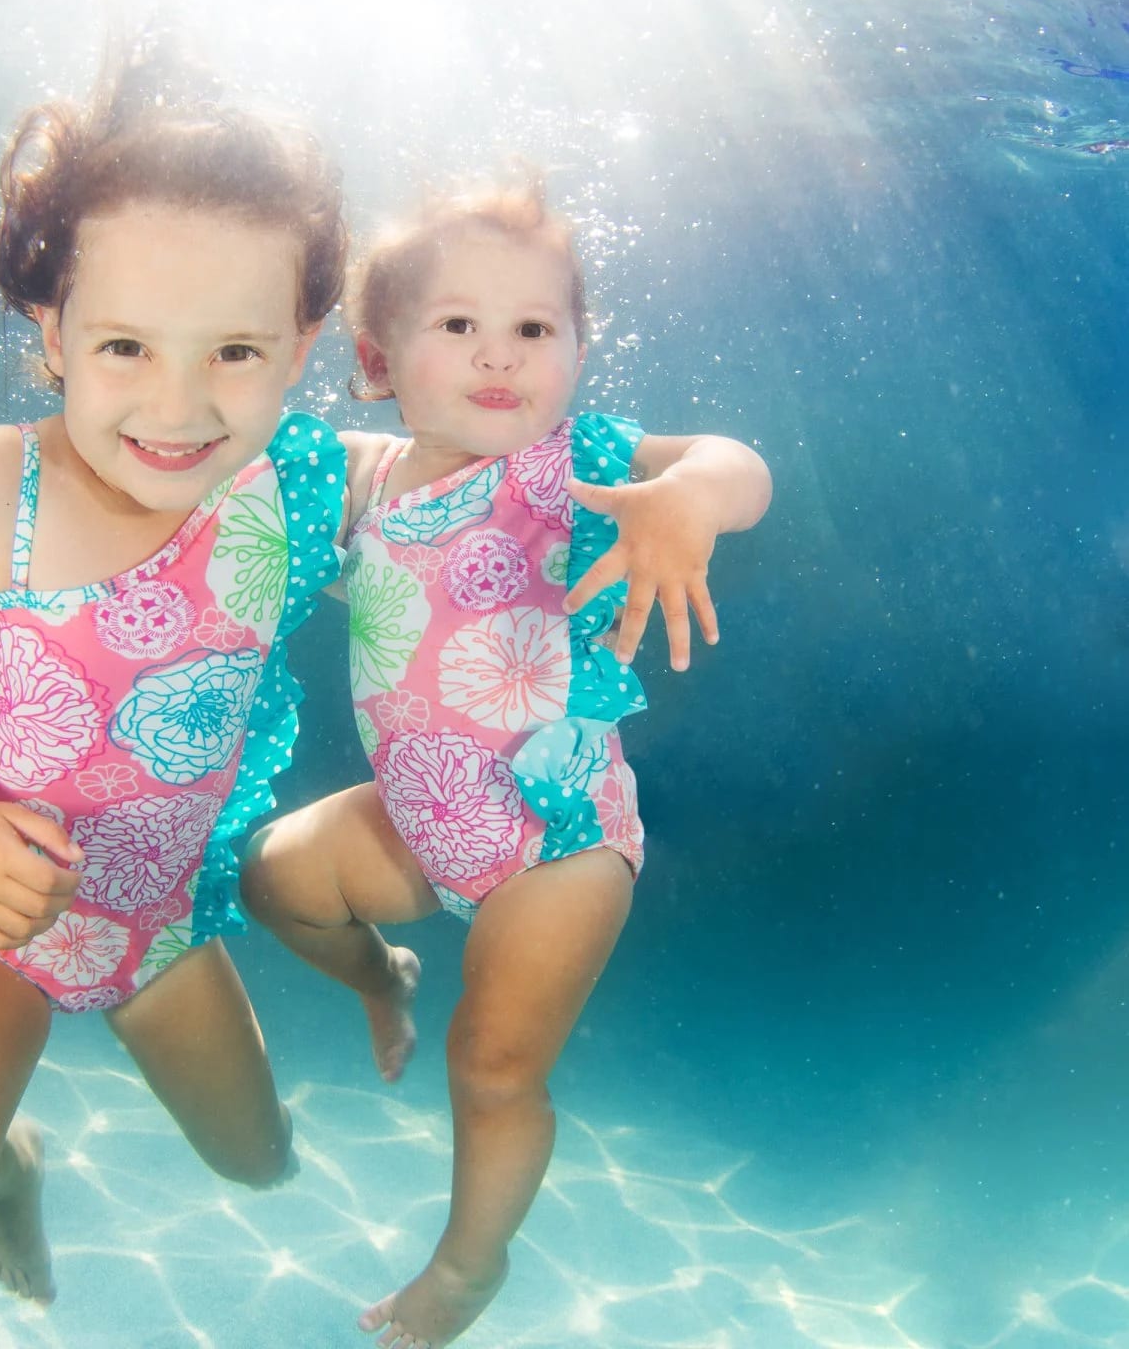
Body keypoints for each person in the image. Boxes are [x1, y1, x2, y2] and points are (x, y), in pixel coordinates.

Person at [0, 40, 348, 1307]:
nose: (177, 407)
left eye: (234, 352)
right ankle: (10, 1165)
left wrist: (698, 488)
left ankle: (122, 1115)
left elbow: (520, 484)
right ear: (53, 331)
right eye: (126, 347)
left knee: (263, 1165)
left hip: (161, 922)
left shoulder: (302, 487)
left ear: (302, 344)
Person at [241, 177, 772, 1349]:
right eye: (458, 324)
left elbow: (737, 463)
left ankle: (470, 1264)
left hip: (559, 836)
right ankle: (380, 977)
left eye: (535, 327)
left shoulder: (576, 467)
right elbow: (229, 472)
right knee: (274, 878)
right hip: (423, 817)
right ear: (375, 359)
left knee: (490, 1065)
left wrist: (688, 497)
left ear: (578, 350)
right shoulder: (353, 478)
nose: (500, 354)